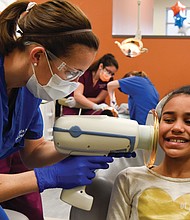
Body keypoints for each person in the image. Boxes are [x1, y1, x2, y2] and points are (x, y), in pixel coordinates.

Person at [0, 1, 117, 219]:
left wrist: (79, 145)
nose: (73, 84)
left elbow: (33, 153)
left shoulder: (28, 90)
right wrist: (48, 177)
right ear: (37, 56)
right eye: (72, 73)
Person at [107, 85, 190, 220]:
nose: (177, 128)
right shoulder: (129, 179)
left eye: (189, 121)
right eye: (168, 120)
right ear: (155, 124)